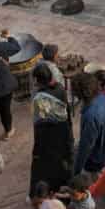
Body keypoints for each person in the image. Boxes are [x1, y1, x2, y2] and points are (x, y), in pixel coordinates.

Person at [29, 64, 74, 195]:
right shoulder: (60, 88)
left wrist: (37, 145)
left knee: (48, 164)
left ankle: (51, 189)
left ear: (37, 80)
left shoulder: (39, 98)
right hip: (63, 130)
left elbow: (38, 123)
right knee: (63, 159)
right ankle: (65, 186)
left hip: (47, 136)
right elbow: (67, 110)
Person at [73, 73, 105, 178]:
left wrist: (77, 170)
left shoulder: (90, 116)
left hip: (95, 160)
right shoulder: (101, 98)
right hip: (104, 149)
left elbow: (86, 146)